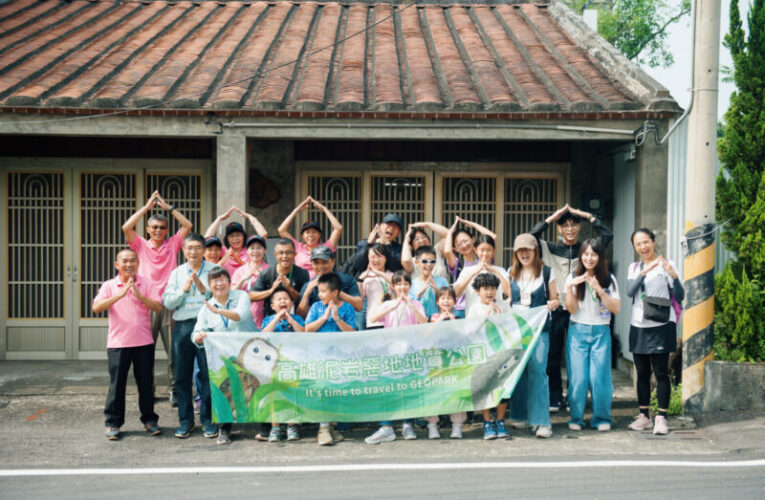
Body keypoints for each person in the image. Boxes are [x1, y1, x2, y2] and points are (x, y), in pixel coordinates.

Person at [531, 203, 613, 413]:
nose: (569, 228)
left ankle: (575, 398)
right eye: (564, 225)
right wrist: (552, 217)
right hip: (557, 307)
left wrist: (585, 214)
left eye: (573, 224)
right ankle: (555, 397)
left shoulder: (586, 250)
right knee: (553, 355)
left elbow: (607, 234)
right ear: (559, 229)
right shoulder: (549, 248)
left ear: (579, 226)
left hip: (581, 307)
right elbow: (531, 237)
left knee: (576, 357)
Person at [122, 190, 193, 406]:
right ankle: (148, 390)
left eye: (162, 227)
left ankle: (174, 389)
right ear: (148, 229)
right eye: (154, 227)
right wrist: (146, 209)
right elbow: (127, 228)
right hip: (144, 304)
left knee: (174, 351)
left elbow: (188, 226)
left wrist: (167, 208)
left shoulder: (173, 244)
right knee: (145, 352)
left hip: (169, 304)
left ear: (167, 230)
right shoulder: (141, 244)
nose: (158, 231)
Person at [92, 249, 163, 440]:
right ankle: (113, 423)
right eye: (124, 261)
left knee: (146, 384)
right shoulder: (109, 285)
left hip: (144, 342)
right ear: (117, 265)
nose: (129, 264)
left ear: (138, 263)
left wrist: (139, 295)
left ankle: (149, 420)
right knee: (117, 385)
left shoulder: (147, 283)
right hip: (118, 343)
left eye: (133, 260)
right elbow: (96, 307)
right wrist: (121, 294)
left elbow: (158, 307)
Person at [626, 228, 685, 436]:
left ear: (653, 241)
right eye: (638, 244)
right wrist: (644, 271)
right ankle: (644, 416)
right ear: (635, 247)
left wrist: (673, 275)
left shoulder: (667, 265)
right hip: (639, 325)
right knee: (641, 373)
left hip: (661, 326)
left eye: (646, 242)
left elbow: (680, 295)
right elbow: (630, 292)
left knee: (661, 373)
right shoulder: (634, 268)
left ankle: (661, 418)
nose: (643, 247)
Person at [192, 267, 257, 445]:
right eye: (215, 281)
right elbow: (197, 332)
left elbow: (240, 315)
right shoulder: (207, 308)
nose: (219, 284)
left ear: (229, 282)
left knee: (257, 387)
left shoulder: (241, 296)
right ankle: (225, 428)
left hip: (249, 353)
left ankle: (265, 427)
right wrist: (198, 337)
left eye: (222, 279)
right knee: (224, 389)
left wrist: (218, 311)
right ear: (210, 285)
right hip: (225, 357)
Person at [162, 234, 218, 441]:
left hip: (207, 327)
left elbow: (222, 298)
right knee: (182, 377)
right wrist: (184, 290)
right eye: (189, 248)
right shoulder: (176, 273)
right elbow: (168, 302)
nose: (193, 252)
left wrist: (204, 290)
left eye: (197, 248)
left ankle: (208, 421)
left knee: (207, 376)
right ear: (183, 251)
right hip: (184, 327)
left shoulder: (214, 270)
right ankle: (185, 422)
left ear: (204, 250)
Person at [365, 270, 428, 444]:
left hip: (410, 352)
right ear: (393, 286)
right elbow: (372, 318)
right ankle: (386, 427)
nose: (402, 287)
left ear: (410, 286)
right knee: (389, 388)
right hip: (390, 352)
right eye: (399, 284)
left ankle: (408, 424)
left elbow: (424, 323)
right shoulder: (388, 304)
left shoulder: (416, 303)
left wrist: (412, 306)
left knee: (407, 388)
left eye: (406, 284)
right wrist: (392, 306)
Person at [564, 239, 621, 432]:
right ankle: (576, 418)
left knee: (599, 378)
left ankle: (601, 418)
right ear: (581, 256)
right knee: (578, 378)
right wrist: (570, 287)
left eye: (593, 254)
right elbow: (571, 309)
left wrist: (598, 289)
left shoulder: (609, 279)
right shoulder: (572, 276)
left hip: (601, 331)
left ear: (600, 257)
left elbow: (616, 308)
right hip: (577, 330)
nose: (589, 258)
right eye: (586, 254)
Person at [506, 233, 559, 439]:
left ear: (535, 251)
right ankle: (520, 416)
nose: (524, 254)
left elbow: (555, 299)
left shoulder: (547, 273)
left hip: (539, 330)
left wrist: (552, 304)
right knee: (518, 372)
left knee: (538, 372)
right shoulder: (511, 272)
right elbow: (507, 300)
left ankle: (542, 421)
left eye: (528, 250)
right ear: (516, 253)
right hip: (517, 332)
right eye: (520, 251)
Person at [305, 273, 357, 445]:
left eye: (323, 291)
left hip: (341, 357)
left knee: (336, 392)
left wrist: (337, 319)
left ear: (335, 292)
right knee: (322, 390)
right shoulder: (316, 307)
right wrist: (324, 317)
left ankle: (331, 426)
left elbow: (352, 333)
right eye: (319, 292)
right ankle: (323, 428)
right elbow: (308, 330)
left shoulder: (347, 308)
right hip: (320, 356)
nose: (320, 295)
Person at [466, 273, 512, 440]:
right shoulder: (474, 309)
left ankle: (500, 421)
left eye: (493, 288)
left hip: (502, 353)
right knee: (485, 388)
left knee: (503, 388)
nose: (489, 292)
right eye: (485, 289)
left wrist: (500, 317)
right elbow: (469, 331)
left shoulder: (504, 306)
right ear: (478, 291)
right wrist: (486, 317)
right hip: (483, 354)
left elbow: (512, 328)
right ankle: (487, 422)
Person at [259, 289, 305, 442]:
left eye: (286, 299)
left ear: (292, 303)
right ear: (273, 306)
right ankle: (275, 427)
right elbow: (263, 335)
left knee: (292, 394)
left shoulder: (297, 318)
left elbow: (305, 334)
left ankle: (292, 426)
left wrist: (291, 320)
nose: (283, 302)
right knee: (274, 395)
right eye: (279, 299)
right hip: (273, 364)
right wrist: (277, 319)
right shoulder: (268, 319)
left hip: (293, 363)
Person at [425, 286, 467, 439]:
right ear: (437, 301)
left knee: (456, 392)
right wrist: (442, 317)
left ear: (455, 302)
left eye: (449, 298)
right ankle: (432, 426)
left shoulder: (459, 318)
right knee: (433, 392)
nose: (446, 301)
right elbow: (427, 334)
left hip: (454, 361)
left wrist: (452, 319)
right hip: (435, 360)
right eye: (442, 298)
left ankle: (457, 426)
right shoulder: (432, 317)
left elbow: (462, 335)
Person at [443, 217, 498, 317]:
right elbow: (447, 251)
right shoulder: (457, 264)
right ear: (456, 248)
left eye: (465, 241)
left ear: (473, 240)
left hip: (484, 307)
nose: (463, 245)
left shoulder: (484, 258)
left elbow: (492, 238)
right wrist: (451, 231)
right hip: (460, 309)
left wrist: (473, 224)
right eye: (459, 244)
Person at [277, 196, 343, 278]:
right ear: (303, 235)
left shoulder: (326, 248)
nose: (310, 235)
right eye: (307, 232)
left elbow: (338, 228)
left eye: (314, 232)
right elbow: (281, 230)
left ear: (319, 235)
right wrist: (296, 211)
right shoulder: (297, 247)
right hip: (300, 287)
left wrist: (324, 209)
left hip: (322, 286)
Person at [248, 239, 311, 317]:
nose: (284, 256)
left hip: (296, 320)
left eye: (288, 252)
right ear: (275, 255)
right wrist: (271, 290)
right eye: (281, 253)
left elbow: (305, 300)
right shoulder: (267, 273)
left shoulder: (303, 273)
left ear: (294, 254)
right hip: (272, 321)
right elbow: (251, 296)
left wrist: (290, 289)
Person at [297, 246, 362, 317]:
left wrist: (335, 291)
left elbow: (358, 306)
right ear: (311, 264)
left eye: (324, 262)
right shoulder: (308, 286)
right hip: (319, 327)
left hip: (344, 326)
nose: (320, 266)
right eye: (316, 263)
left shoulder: (346, 280)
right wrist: (307, 293)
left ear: (333, 261)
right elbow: (301, 316)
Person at [453, 235, 511, 314]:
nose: (485, 253)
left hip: (495, 318)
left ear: (494, 251)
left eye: (488, 250)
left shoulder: (500, 270)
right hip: (474, 318)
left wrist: (495, 272)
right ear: (475, 250)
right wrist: (474, 273)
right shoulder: (467, 271)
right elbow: (456, 293)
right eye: (482, 250)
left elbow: (509, 292)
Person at [204, 205, 268, 277]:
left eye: (238, 235)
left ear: (243, 236)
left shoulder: (250, 250)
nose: (235, 238)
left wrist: (250, 217)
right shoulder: (223, 250)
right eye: (231, 236)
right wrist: (219, 219)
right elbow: (206, 240)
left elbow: (263, 235)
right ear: (227, 239)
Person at [231, 235, 269, 329]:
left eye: (259, 248)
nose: (255, 252)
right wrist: (244, 278)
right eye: (252, 248)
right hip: (243, 320)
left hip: (265, 320)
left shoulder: (269, 270)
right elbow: (232, 294)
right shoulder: (240, 271)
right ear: (247, 251)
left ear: (264, 250)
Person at [358, 244, 395, 330]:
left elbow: (396, 284)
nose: (376, 260)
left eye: (379, 256)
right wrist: (360, 280)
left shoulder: (392, 275)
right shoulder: (365, 277)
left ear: (386, 258)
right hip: (373, 322)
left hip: (392, 320)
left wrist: (379, 273)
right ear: (368, 258)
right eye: (373, 257)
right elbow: (360, 298)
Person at [409, 246, 449, 319]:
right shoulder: (411, 284)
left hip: (438, 322)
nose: (429, 264)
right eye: (424, 261)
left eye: (432, 261)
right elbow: (409, 306)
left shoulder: (443, 281)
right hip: (417, 322)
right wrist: (420, 294)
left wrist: (437, 293)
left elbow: (448, 303)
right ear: (417, 262)